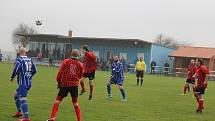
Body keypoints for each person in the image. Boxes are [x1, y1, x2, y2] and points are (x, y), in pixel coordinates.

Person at [47, 49, 83, 121]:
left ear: (71, 54)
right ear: (78, 55)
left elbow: (60, 73)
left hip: (65, 84)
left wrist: (59, 82)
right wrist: (83, 87)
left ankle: (52, 118)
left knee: (57, 101)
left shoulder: (66, 61)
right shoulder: (80, 64)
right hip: (74, 86)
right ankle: (79, 120)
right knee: (75, 103)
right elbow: (80, 77)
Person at [10, 47, 37, 121]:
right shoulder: (29, 59)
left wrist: (12, 77)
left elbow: (16, 69)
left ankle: (26, 118)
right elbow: (35, 70)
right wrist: (29, 76)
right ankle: (19, 112)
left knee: (22, 98)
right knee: (16, 94)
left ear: (19, 52)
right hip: (29, 83)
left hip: (23, 83)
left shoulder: (19, 59)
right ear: (25, 52)